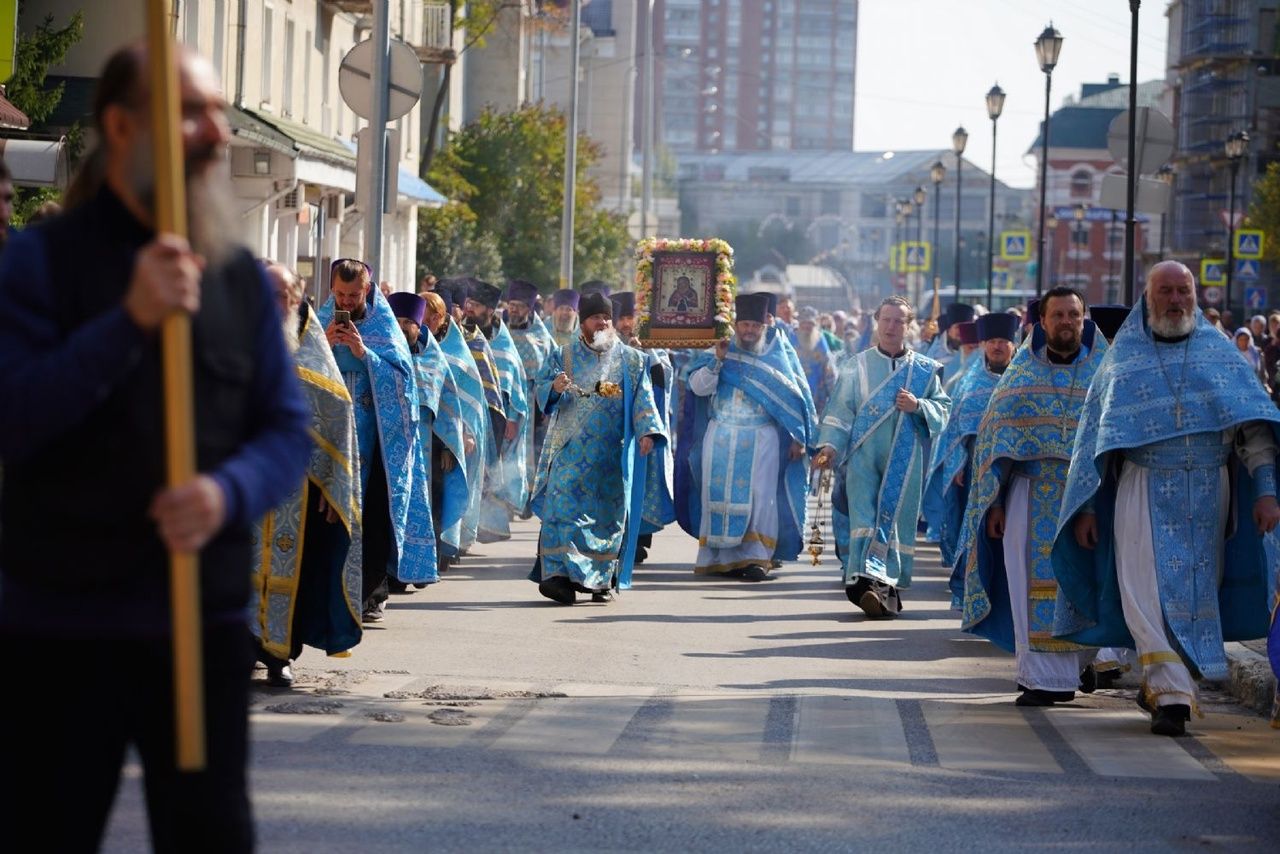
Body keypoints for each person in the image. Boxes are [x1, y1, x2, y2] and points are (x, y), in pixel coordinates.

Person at [0, 44, 310, 850]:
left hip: (198, 621)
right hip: (63, 622)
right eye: (191, 111)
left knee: (209, 836)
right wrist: (127, 322)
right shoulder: (40, 263)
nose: (215, 131)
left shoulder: (237, 278)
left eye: (214, 109)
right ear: (122, 125)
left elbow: (284, 429)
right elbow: (15, 416)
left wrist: (225, 493)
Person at [1053, 261, 1280, 736]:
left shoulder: (1220, 354)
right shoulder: (1124, 359)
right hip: (1142, 487)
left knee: (1198, 596)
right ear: (1148, 297)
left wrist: (1265, 493)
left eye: (1184, 291)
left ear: (1195, 296)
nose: (1176, 300)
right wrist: (1088, 508)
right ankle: (1172, 697)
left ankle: (1168, 682)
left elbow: (1255, 429)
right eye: (1166, 291)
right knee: (1146, 593)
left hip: (1209, 494)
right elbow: (1094, 440)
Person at [956, 288, 1109, 707]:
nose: (1065, 322)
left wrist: (1095, 505)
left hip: (1085, 499)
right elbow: (995, 441)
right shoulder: (1020, 376)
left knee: (1081, 585)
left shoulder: (1103, 373)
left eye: (1073, 314)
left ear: (1084, 318)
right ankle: (1039, 677)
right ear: (1042, 322)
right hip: (1029, 491)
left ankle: (1077, 667)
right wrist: (997, 503)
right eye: (1057, 314)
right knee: (1026, 584)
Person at [252, 263, 362, 689]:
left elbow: (338, 408)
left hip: (293, 486)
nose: (277, 302)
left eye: (285, 295)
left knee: (288, 567)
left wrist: (333, 482)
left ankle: (280, 656)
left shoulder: (310, 342)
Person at [813, 297, 951, 618]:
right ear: (877, 322)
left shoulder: (925, 371)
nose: (891, 327)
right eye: (886, 320)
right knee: (865, 521)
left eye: (899, 321)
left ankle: (883, 589)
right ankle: (865, 585)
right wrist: (829, 447)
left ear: (908, 325)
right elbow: (840, 411)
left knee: (892, 524)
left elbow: (943, 410)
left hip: (905, 462)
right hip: (863, 458)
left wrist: (918, 405)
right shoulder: (856, 366)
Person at [529, 292, 666, 604]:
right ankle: (558, 577)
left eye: (606, 317)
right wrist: (554, 387)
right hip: (568, 451)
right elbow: (543, 394)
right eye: (595, 318)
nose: (602, 323)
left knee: (606, 522)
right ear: (583, 322)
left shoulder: (632, 361)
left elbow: (643, 399)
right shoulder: (562, 356)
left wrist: (647, 432)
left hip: (610, 456)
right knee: (561, 509)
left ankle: (599, 582)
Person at [320, 258, 436, 622]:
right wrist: (323, 343)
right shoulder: (321, 319)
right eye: (341, 293)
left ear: (366, 290)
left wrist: (363, 353)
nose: (347, 300)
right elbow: (299, 366)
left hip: (377, 438)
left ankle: (371, 592)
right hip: (331, 433)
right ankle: (328, 591)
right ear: (332, 289)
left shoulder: (384, 323)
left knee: (372, 513)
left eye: (354, 294)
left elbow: (404, 381)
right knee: (330, 512)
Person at [681, 293, 815, 580]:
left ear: (764, 324)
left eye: (755, 325)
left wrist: (798, 437)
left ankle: (755, 558)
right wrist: (717, 360)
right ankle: (719, 558)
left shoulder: (777, 354)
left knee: (760, 498)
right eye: (744, 324)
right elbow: (697, 387)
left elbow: (794, 400)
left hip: (761, 438)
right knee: (716, 495)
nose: (749, 331)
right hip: (720, 436)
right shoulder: (719, 350)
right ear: (735, 323)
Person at [922, 312, 1018, 609]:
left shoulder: (1024, 379)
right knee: (977, 533)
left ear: (1014, 345)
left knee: (1014, 536)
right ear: (983, 345)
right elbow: (954, 430)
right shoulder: (969, 381)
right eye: (992, 341)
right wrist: (957, 465)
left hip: (1017, 470)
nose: (998, 347)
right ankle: (974, 595)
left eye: (1003, 341)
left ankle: (1011, 598)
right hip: (976, 469)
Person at [389, 291, 470, 582]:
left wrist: (449, 446)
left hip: (428, 447)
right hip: (389, 446)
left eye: (407, 322)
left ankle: (422, 566)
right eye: (395, 320)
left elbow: (448, 406)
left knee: (427, 504)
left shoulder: (433, 358)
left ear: (418, 325)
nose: (401, 327)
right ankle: (392, 571)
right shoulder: (383, 353)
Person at [612, 291, 676, 563]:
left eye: (631, 318)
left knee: (639, 480)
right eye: (622, 318)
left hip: (641, 429)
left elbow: (664, 379)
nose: (626, 324)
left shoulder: (653, 347)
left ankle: (637, 538)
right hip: (613, 427)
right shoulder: (606, 346)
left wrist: (645, 352)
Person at [465, 279, 530, 543]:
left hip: (497, 415)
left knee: (492, 468)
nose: (470, 309)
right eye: (469, 303)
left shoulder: (502, 342)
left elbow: (514, 382)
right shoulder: (463, 333)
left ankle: (491, 525)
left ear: (490, 311)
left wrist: (513, 418)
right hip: (470, 410)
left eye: (476, 305)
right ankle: (468, 527)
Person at [430, 288, 488, 561]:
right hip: (419, 435)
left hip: (448, 439)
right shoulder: (410, 344)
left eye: (432, 316)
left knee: (443, 494)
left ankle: (443, 550)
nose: (425, 321)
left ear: (443, 318)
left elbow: (470, 399)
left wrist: (465, 434)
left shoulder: (457, 350)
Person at [506, 279, 555, 515]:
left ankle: (526, 498)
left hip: (533, 404)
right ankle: (505, 498)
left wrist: (548, 404)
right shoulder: (499, 333)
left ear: (529, 309)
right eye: (511, 304)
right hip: (504, 401)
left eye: (519, 305)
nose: (513, 309)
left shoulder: (542, 337)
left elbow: (554, 370)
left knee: (531, 454)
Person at [795, 306, 837, 413]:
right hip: (795, 393)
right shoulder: (791, 337)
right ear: (799, 323)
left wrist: (834, 395)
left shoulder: (820, 340)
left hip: (818, 396)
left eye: (811, 323)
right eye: (804, 322)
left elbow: (829, 370)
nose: (807, 326)